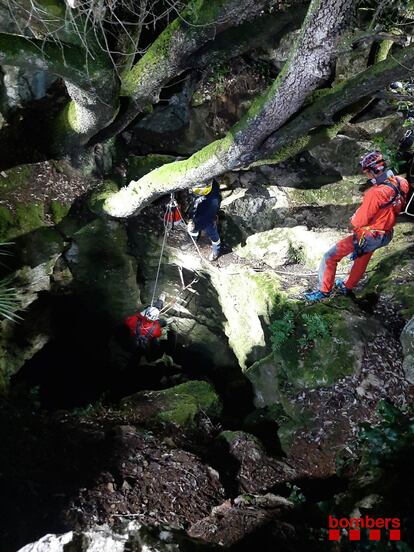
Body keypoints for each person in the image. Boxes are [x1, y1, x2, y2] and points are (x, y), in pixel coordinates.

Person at [304, 151, 410, 302]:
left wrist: (354, 217)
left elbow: (358, 222)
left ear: (373, 171)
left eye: (366, 172)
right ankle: (347, 287)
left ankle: (323, 291)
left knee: (330, 257)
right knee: (362, 259)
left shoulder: (376, 193)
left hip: (368, 236)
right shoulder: (401, 182)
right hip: (385, 234)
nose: (366, 175)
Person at [186, 179, 222, 261]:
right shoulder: (214, 186)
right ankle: (193, 241)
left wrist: (192, 225)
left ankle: (216, 251)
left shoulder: (211, 201)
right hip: (200, 215)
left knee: (213, 236)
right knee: (194, 229)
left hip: (207, 220)